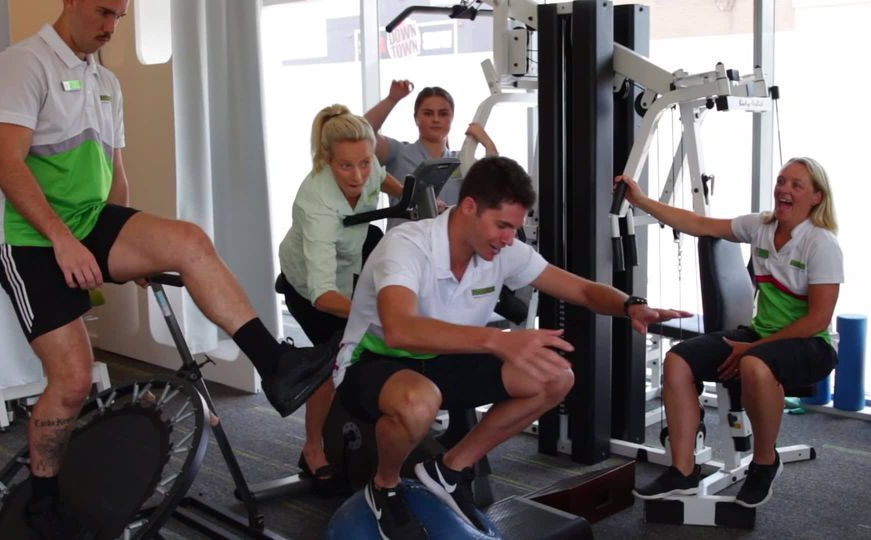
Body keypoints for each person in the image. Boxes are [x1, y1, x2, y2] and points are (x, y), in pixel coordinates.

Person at [0, 1, 331, 537]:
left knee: (187, 241)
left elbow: (113, 175)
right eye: (103, 11)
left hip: (87, 221)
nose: (110, 26)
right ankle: (44, 504)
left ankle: (275, 367)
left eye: (120, 16)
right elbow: (6, 163)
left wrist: (129, 245)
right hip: (29, 239)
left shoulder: (105, 80)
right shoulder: (22, 63)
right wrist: (62, 242)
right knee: (73, 381)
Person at [332, 156, 690, 539]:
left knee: (554, 376)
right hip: (373, 361)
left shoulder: (502, 251)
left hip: (442, 360)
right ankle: (385, 486)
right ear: (469, 207)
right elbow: (401, 330)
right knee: (419, 402)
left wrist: (630, 304)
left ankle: (447, 471)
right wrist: (498, 341)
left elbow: (582, 289)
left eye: (514, 228)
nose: (508, 238)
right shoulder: (406, 246)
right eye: (502, 225)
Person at [623, 157, 842, 507]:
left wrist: (751, 349)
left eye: (796, 185)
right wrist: (642, 200)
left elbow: (818, 319)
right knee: (678, 359)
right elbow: (698, 223)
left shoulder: (821, 244)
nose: (783, 189)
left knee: (754, 363)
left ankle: (765, 462)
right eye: (782, 181)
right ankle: (683, 470)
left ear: (816, 197)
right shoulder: (761, 228)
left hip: (811, 345)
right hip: (759, 338)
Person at [277, 104, 403, 492]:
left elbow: (382, 179)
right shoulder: (315, 203)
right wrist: (374, 314)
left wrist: (415, 198)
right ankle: (313, 448)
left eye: (364, 162)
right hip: (314, 288)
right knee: (334, 361)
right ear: (326, 159)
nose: (358, 175)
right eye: (346, 166)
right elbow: (322, 294)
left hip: (352, 262)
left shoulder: (367, 167)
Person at [364, 80, 498, 216]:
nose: (435, 119)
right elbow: (363, 131)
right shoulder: (398, 152)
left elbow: (494, 190)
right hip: (407, 236)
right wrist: (392, 99)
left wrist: (488, 143)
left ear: (452, 118)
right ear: (416, 118)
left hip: (448, 236)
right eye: (428, 113)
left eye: (443, 113)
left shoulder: (462, 159)